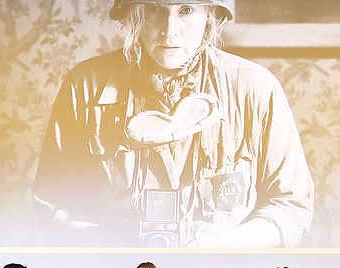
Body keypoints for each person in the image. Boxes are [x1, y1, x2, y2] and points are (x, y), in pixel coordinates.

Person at [33, 0, 314, 248]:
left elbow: (290, 207)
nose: (169, 30)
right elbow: (51, 202)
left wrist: (214, 248)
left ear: (209, 15)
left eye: (186, 10)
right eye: (155, 10)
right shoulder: (85, 87)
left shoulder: (256, 88)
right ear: (133, 14)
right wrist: (109, 246)